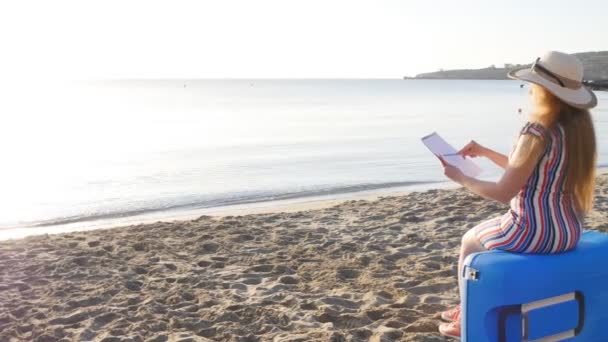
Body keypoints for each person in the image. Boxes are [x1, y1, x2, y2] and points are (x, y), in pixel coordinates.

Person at [437, 51, 598, 339]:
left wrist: (462, 178)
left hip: (532, 232)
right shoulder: (575, 131)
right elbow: (531, 171)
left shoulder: (537, 130)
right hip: (568, 231)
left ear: (543, 90)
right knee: (484, 232)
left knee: (470, 240)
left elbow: (503, 192)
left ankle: (467, 314)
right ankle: (466, 305)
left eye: (532, 85)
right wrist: (485, 152)